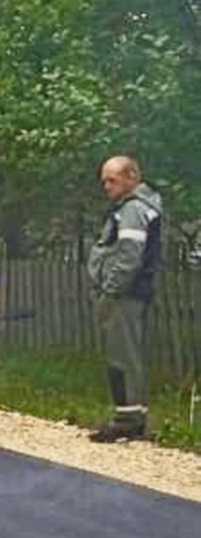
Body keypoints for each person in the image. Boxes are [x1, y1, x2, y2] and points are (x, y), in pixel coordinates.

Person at [86, 155, 163, 442]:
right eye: (104, 180)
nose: (106, 186)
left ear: (131, 177)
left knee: (122, 355)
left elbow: (129, 256)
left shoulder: (133, 210)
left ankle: (126, 420)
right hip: (131, 293)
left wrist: (111, 289)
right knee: (130, 354)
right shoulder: (140, 207)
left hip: (124, 294)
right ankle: (135, 415)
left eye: (112, 180)